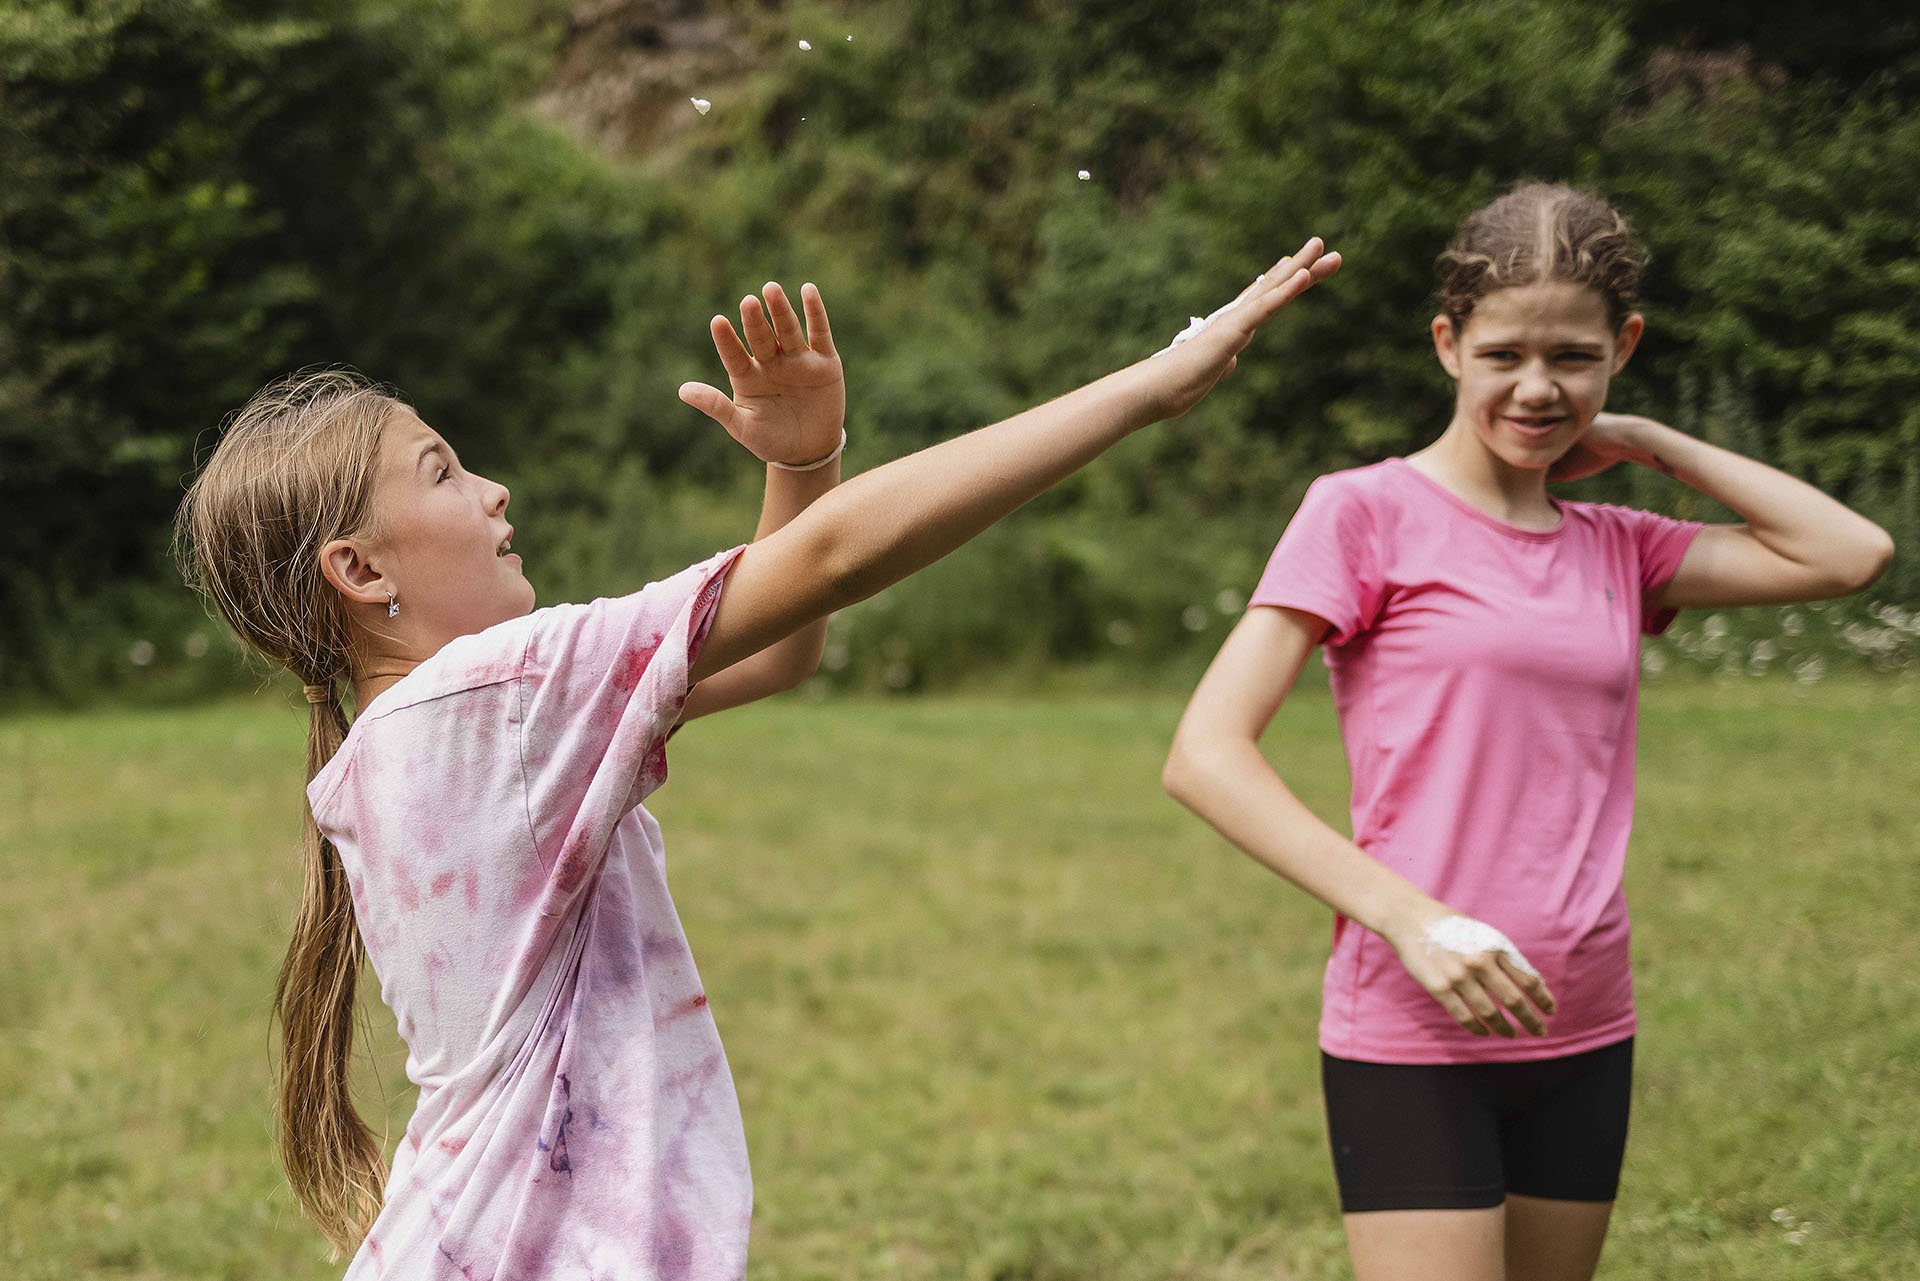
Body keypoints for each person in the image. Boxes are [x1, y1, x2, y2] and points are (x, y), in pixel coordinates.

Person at [173, 243, 1341, 1277]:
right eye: (442, 471)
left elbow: (780, 650)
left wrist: (802, 460)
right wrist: (1143, 388)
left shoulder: (426, 732)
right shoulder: (488, 700)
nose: (492, 489)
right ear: (359, 571)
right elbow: (830, 563)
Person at [1162, 184, 1892, 1281]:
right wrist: (1412, 921)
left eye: (1575, 358)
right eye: (1504, 354)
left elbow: (1849, 554)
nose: (1538, 387)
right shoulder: (1363, 512)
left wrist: (1643, 442)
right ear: (1447, 345)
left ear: (1623, 348)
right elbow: (1206, 754)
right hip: (1416, 1022)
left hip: (1586, 1018)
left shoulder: (1619, 544)